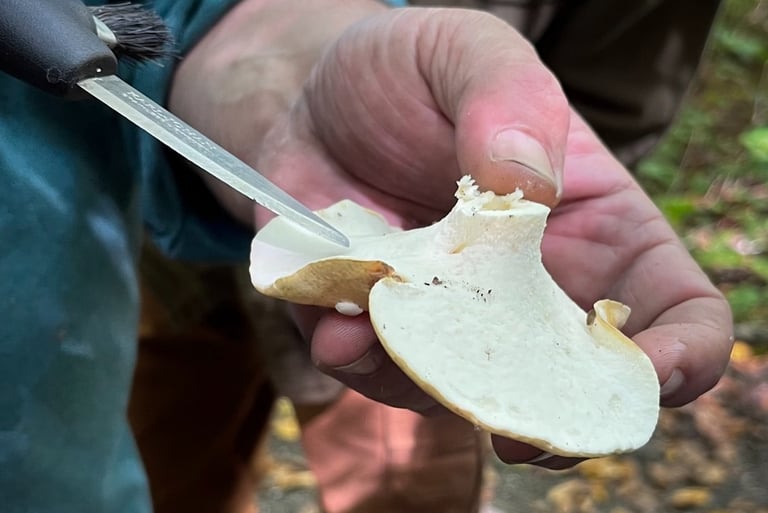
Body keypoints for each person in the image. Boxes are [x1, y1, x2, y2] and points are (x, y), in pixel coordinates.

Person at [0, 2, 733, 513]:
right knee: (186, 456)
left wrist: (276, 58)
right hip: (155, 303)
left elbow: (165, 16)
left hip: (73, 404)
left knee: (399, 480)